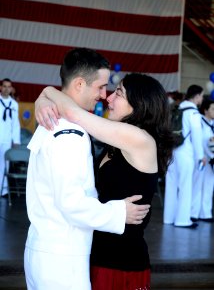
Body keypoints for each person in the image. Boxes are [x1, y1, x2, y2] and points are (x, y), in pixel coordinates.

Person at [24, 48, 150, 290]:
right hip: (62, 259)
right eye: (100, 87)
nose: (104, 95)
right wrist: (118, 213)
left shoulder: (52, 119)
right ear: (80, 84)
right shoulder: (69, 133)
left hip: (49, 251)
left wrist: (46, 94)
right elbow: (71, 202)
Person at [164, 84, 205, 228]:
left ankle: (168, 218)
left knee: (171, 186)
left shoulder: (177, 109)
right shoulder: (193, 113)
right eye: (201, 96)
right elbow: (197, 136)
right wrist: (201, 156)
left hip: (172, 151)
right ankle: (182, 220)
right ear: (197, 96)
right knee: (185, 187)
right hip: (185, 153)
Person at [192, 98, 214, 222]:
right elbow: (198, 140)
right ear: (205, 110)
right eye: (212, 109)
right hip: (201, 159)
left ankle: (206, 214)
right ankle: (193, 213)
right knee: (197, 186)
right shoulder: (199, 121)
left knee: (209, 186)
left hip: (211, 160)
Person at [0, 78, 21, 197]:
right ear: (1, 87)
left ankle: (3, 191)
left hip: (7, 138)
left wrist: (16, 140)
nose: (7, 89)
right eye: (4, 86)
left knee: (4, 165)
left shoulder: (14, 104)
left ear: (11, 89)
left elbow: (15, 123)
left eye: (9, 86)